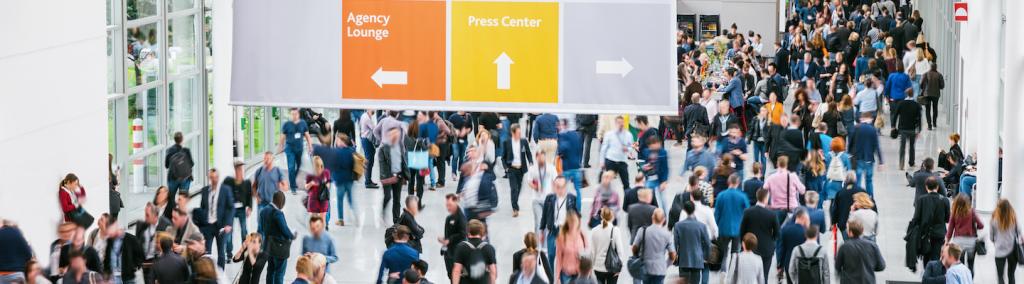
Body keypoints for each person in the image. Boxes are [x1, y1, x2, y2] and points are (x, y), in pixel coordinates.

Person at [196, 168, 235, 268]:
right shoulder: (205, 190)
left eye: (216, 177)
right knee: (206, 252)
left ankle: (220, 274)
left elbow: (231, 207)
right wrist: (201, 225)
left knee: (221, 252)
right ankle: (208, 273)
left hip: (220, 226)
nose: (214, 180)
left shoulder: (225, 190)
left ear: (218, 177)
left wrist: (228, 224)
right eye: (212, 177)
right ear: (209, 178)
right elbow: (202, 207)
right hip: (207, 226)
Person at [740, 188, 780, 282]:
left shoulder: (748, 212)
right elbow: (777, 233)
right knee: (764, 276)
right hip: (766, 249)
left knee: (749, 276)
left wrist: (743, 245)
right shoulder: (772, 214)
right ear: (766, 198)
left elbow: (742, 231)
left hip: (750, 247)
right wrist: (771, 241)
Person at [540, 177, 579, 267]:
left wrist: (576, 231)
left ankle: (562, 273)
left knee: (565, 255)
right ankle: (550, 274)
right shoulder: (549, 198)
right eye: (558, 187)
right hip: (553, 230)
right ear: (554, 187)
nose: (560, 189)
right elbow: (544, 215)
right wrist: (542, 231)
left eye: (562, 187)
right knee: (551, 255)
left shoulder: (572, 198)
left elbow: (576, 216)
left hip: (566, 231)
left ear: (566, 187)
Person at [911, 177, 951, 263]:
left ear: (926, 187)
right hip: (939, 233)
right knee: (936, 256)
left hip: (925, 233)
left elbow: (916, 218)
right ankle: (934, 269)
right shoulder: (945, 200)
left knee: (926, 256)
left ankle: (927, 269)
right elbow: (947, 219)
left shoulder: (921, 200)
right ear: (937, 187)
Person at [631, 209, 676, 284]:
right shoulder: (667, 234)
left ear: (652, 217)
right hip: (660, 269)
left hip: (646, 268)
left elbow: (634, 248)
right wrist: (666, 265)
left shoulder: (642, 231)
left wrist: (637, 258)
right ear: (664, 219)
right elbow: (672, 255)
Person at [260, 191, 296, 284]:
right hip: (279, 248)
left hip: (268, 246)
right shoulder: (277, 213)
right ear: (281, 201)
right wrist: (292, 235)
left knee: (270, 271)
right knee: (279, 273)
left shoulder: (264, 210)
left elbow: (262, 228)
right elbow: (285, 230)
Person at [673, 200, 711, 284]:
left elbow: (676, 243)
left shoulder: (678, 225)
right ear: (694, 209)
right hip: (697, 259)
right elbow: (708, 243)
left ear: (684, 210)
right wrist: (706, 257)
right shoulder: (701, 226)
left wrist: (677, 254)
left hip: (683, 259)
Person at [452, 220, 498, 284]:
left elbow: (456, 270)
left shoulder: (461, 247)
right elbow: (493, 272)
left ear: (468, 231)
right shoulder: (489, 248)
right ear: (482, 231)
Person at [279, 108, 313, 194]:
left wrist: (310, 146)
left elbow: (307, 135)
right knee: (291, 167)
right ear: (290, 115)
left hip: (299, 149)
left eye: (295, 114)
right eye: (292, 114)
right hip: (289, 148)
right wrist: (280, 146)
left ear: (298, 115)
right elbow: (282, 136)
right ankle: (293, 187)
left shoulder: (303, 123)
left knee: (298, 165)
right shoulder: (286, 124)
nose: (294, 116)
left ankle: (293, 180)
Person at [946, 194, 983, 273]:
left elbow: (950, 230)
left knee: (960, 265)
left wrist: (947, 241)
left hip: (958, 242)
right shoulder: (971, 211)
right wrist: (975, 226)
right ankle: (969, 278)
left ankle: (962, 278)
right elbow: (981, 225)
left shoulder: (954, 213)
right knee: (971, 265)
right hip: (971, 241)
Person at [849, 112, 883, 196]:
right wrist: (880, 161)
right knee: (869, 180)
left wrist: (849, 153)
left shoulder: (856, 128)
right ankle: (870, 196)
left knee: (858, 179)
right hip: (869, 158)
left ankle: (857, 196)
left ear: (861, 118)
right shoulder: (873, 129)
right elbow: (876, 146)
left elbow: (850, 143)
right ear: (870, 119)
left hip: (857, 158)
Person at [503, 124, 534, 217]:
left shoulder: (524, 141)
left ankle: (515, 202)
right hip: (511, 169)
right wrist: (506, 168)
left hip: (521, 169)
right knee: (514, 188)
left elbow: (528, 153)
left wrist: (531, 162)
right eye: (518, 133)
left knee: (519, 188)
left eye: (520, 133)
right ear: (513, 133)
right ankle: (515, 208)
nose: (520, 135)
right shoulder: (507, 142)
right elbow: (503, 157)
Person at [763, 156, 806, 223]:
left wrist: (767, 204)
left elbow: (763, 191)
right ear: (787, 164)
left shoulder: (771, 178)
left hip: (776, 208)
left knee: (777, 228)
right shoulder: (793, 176)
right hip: (791, 208)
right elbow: (802, 191)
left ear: (777, 164)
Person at [223, 161, 253, 254]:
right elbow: (223, 193)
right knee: (229, 232)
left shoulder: (247, 182)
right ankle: (229, 253)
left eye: (241, 169)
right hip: (231, 210)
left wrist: (250, 208)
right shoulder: (228, 181)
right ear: (235, 170)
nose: (240, 171)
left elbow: (249, 196)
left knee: (244, 230)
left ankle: (244, 250)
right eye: (238, 169)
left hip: (241, 210)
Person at [589, 208, 625, 284]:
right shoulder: (615, 230)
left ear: (601, 216)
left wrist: (591, 267)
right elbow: (620, 251)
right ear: (612, 217)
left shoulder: (594, 230)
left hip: (598, 268)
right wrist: (620, 267)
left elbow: (592, 252)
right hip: (612, 267)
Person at [379, 128, 408, 224]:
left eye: (397, 134)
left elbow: (403, 161)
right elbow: (382, 165)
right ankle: (383, 213)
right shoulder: (383, 149)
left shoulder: (400, 146)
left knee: (397, 199)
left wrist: (404, 174)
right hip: (388, 177)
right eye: (393, 134)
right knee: (387, 196)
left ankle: (396, 220)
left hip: (398, 176)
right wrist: (390, 177)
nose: (395, 136)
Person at [102, 218, 144, 284]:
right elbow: (107, 258)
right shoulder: (110, 241)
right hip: (113, 278)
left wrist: (132, 267)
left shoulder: (131, 239)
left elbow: (140, 255)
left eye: (110, 231)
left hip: (128, 278)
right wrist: (106, 274)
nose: (110, 234)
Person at [990, 199, 1022, 284]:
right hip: (1013, 250)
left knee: (1000, 276)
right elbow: (1019, 231)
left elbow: (991, 237)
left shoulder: (994, 220)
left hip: (999, 250)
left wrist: (996, 241)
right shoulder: (1013, 219)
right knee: (1011, 274)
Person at [599, 116, 633, 189]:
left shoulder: (628, 135)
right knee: (607, 182)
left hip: (622, 161)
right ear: (615, 123)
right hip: (611, 160)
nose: (621, 124)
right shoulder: (609, 134)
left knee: (626, 183)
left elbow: (631, 148)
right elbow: (604, 148)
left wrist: (627, 149)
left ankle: (626, 196)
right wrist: (602, 162)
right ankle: (607, 195)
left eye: (622, 122)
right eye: (618, 122)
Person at [892, 89, 922, 170]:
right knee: (912, 146)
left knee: (902, 147)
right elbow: (919, 118)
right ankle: (911, 163)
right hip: (912, 129)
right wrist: (919, 130)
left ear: (905, 94)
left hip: (902, 129)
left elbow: (895, 115)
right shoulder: (916, 105)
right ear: (913, 94)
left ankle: (901, 165)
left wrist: (893, 126)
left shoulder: (901, 103)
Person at [554, 213, 589, 283]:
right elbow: (558, 259)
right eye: (571, 222)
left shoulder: (582, 235)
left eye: (575, 221)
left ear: (578, 222)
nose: (573, 224)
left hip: (580, 274)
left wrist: (589, 271)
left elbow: (587, 255)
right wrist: (557, 278)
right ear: (567, 223)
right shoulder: (561, 237)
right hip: (566, 274)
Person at [776, 209, 809, 283]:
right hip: (804, 264)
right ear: (803, 218)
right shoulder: (806, 232)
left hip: (789, 262)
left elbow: (781, 249)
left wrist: (780, 265)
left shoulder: (785, 229)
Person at [441, 194, 469, 280]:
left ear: (456, 202)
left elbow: (463, 234)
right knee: (451, 276)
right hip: (449, 253)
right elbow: (448, 234)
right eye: (447, 205)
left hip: (456, 253)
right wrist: (444, 246)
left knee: (456, 277)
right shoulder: (449, 217)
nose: (448, 207)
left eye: (450, 205)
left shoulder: (461, 218)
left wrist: (449, 240)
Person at [831, 172, 865, 240]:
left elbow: (835, 209)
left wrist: (833, 222)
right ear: (855, 179)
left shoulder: (840, 193)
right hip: (859, 224)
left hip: (844, 224)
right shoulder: (861, 191)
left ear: (846, 180)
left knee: (847, 243)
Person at [165, 132, 195, 211]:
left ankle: (171, 214)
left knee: (171, 199)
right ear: (182, 139)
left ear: (174, 139)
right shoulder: (186, 150)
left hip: (172, 178)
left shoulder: (169, 151)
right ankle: (181, 214)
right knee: (183, 199)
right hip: (185, 178)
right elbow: (192, 164)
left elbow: (166, 165)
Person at [254, 151, 287, 218]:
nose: (266, 160)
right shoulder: (259, 171)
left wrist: (281, 187)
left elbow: (286, 187)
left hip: (274, 204)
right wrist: (256, 197)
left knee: (273, 223)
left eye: (268, 158)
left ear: (272, 159)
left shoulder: (278, 171)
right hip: (262, 203)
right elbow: (254, 186)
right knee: (261, 223)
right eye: (265, 158)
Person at [642, 138, 670, 211]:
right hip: (650, 178)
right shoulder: (646, 152)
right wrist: (645, 167)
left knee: (662, 199)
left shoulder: (663, 152)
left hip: (660, 179)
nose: (658, 145)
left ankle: (664, 215)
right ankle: (650, 212)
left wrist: (664, 181)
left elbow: (665, 168)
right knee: (647, 197)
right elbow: (646, 163)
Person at [823, 139, 851, 207]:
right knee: (840, 202)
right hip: (841, 183)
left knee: (832, 202)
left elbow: (824, 169)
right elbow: (849, 170)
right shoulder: (845, 156)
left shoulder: (827, 155)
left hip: (830, 181)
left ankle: (832, 213)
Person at [360, 109, 381, 188]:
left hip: (365, 139)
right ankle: (368, 182)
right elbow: (374, 129)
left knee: (370, 160)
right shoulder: (367, 118)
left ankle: (369, 180)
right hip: (367, 140)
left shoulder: (365, 116)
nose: (374, 110)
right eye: (373, 109)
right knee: (369, 161)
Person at [919, 63, 943, 130]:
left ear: (930, 67)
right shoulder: (939, 75)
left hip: (927, 94)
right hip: (936, 94)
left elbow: (921, 84)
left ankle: (929, 126)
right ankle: (934, 123)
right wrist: (937, 86)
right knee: (935, 108)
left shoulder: (926, 74)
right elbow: (942, 86)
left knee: (927, 109)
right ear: (936, 67)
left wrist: (923, 88)